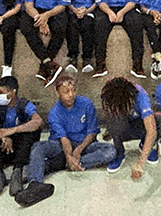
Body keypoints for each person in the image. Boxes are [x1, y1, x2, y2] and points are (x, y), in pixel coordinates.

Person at [16, 75, 116, 207]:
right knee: (38, 147)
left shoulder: (87, 104)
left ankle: (70, 164)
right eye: (66, 92)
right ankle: (35, 184)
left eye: (73, 90)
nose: (71, 95)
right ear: (56, 92)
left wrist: (79, 151)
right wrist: (69, 156)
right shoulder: (54, 113)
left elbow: (92, 132)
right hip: (61, 146)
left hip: (84, 145)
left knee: (111, 150)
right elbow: (64, 140)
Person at [0, 76, 43, 197]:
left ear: (13, 92)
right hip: (3, 147)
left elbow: (37, 121)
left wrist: (12, 131)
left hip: (20, 148)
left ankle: (17, 171)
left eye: (1, 92)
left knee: (32, 133)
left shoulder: (23, 105)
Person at [20, 0, 71, 87]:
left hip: (54, 10)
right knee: (24, 24)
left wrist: (46, 16)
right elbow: (28, 5)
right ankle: (48, 63)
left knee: (61, 26)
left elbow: (62, 5)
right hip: (36, 10)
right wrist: (40, 19)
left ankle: (45, 66)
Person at [101, 77, 161, 178]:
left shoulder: (141, 96)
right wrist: (111, 131)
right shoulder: (108, 93)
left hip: (138, 124)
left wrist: (140, 163)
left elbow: (151, 130)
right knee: (113, 122)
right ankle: (119, 153)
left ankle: (147, 145)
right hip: (122, 125)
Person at [93, 0, 145, 78]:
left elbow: (133, 1)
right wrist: (110, 13)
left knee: (137, 23)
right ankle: (100, 64)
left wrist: (121, 12)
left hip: (126, 8)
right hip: (107, 8)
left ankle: (137, 65)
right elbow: (101, 1)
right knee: (99, 24)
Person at [65, 0, 98, 74]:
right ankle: (72, 58)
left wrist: (87, 11)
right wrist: (75, 10)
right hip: (74, 11)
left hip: (89, 12)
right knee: (72, 25)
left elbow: (97, 1)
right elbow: (67, 1)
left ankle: (87, 59)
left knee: (87, 25)